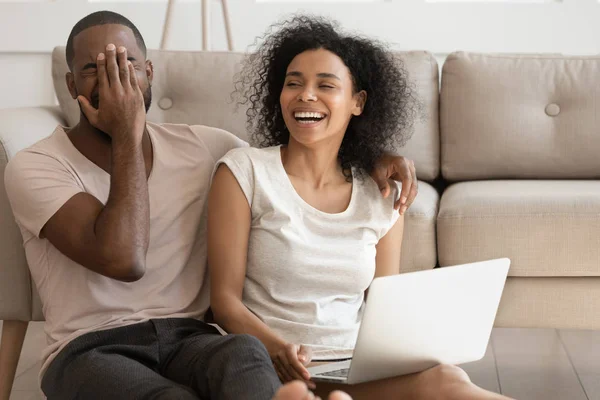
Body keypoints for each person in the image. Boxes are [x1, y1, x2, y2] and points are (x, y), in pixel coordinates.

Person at [4, 11, 418, 400]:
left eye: (126, 63)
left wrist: (372, 157)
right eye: (93, 68)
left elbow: (296, 158)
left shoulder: (207, 146)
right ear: (72, 85)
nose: (114, 80)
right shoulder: (37, 165)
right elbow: (123, 259)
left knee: (246, 357)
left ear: (149, 74)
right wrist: (128, 132)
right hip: (90, 349)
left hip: (193, 338)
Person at [208, 16, 513, 400]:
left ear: (358, 102)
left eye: (326, 85)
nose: (305, 95)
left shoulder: (380, 196)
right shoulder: (244, 172)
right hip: (263, 363)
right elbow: (224, 302)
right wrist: (276, 348)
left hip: (352, 369)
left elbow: (383, 311)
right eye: (294, 83)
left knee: (448, 379)